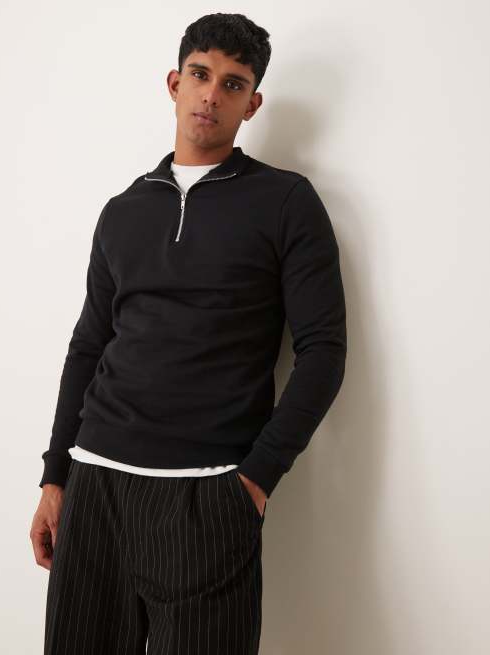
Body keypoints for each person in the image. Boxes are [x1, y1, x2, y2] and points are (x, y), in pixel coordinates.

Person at [30, 12, 347, 654]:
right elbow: (89, 345)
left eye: (233, 84)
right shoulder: (123, 210)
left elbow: (324, 350)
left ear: (252, 103)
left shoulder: (285, 202)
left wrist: (255, 481)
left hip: (208, 495)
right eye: (200, 75)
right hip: (95, 486)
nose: (211, 95)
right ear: (174, 84)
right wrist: (55, 475)